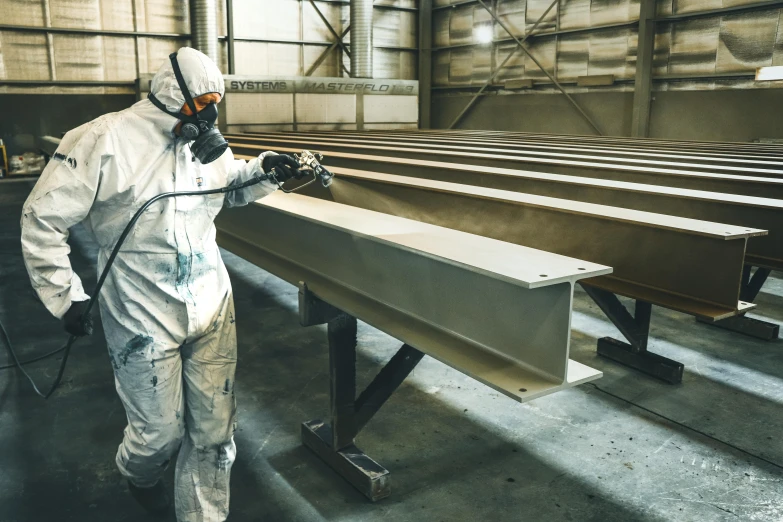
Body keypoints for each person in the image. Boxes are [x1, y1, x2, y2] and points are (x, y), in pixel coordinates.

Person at [20, 47, 302, 522]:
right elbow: (41, 219)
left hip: (211, 301)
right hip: (140, 310)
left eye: (216, 102)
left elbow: (228, 184)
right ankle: (139, 475)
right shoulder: (101, 140)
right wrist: (66, 297)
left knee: (215, 434)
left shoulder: (203, 142)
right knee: (159, 435)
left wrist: (265, 170)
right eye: (201, 104)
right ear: (171, 99)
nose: (210, 116)